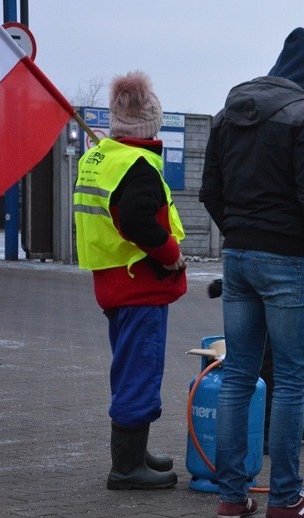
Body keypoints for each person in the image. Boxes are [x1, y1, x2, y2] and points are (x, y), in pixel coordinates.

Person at [199, 28, 304, 518]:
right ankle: (285, 499)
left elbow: (209, 191)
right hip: (292, 264)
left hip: (238, 258)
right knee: (290, 383)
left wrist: (238, 232)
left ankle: (232, 496)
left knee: (239, 375)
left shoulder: (226, 114)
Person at [73, 71, 186, 490]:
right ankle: (126, 467)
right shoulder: (137, 167)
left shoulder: (100, 157)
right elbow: (138, 220)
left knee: (129, 370)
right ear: (149, 124)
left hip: (114, 284)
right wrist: (170, 255)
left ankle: (136, 452)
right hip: (140, 285)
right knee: (139, 372)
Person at [207, 277, 304, 451]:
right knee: (277, 366)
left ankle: (281, 427)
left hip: (258, 278)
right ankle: (273, 430)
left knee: (245, 372)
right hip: (277, 282)